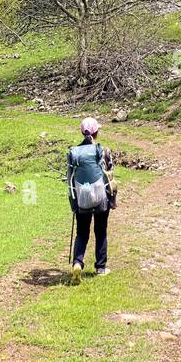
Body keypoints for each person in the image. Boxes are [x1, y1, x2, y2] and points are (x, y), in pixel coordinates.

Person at [67, 116, 115, 284]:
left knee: (82, 233)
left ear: (82, 132)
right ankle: (100, 268)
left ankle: (77, 262)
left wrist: (74, 204)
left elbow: (70, 181)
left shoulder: (73, 152)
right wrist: (112, 200)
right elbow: (110, 177)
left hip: (82, 199)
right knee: (100, 232)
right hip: (101, 199)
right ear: (96, 132)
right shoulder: (103, 150)